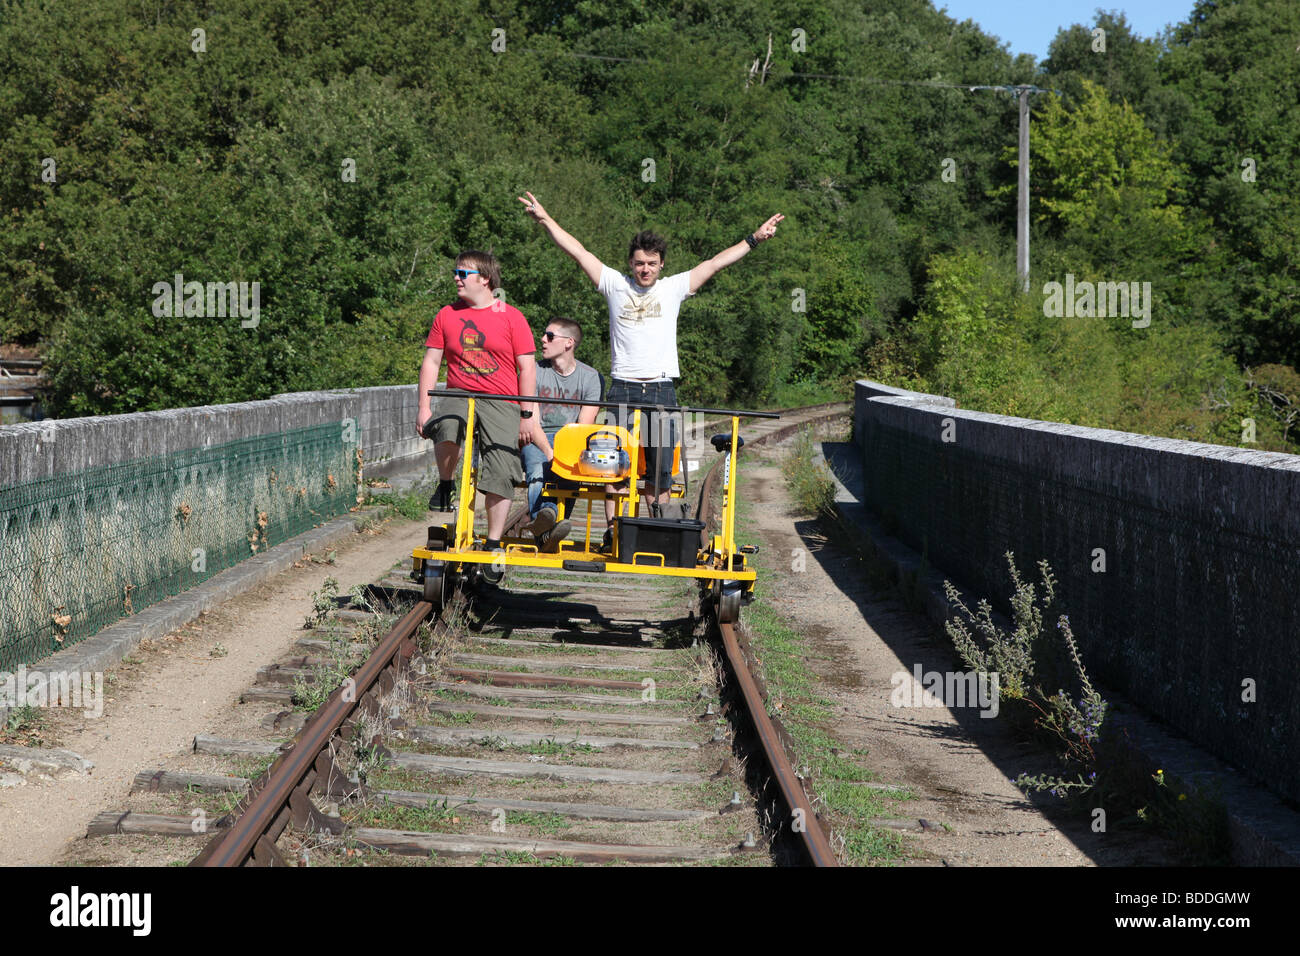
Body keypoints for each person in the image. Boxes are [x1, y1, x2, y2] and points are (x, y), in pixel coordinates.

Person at [517, 191, 783, 549]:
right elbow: (578, 251)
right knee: (610, 463)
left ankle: (656, 527)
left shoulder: (673, 289)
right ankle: (614, 531)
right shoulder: (614, 285)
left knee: (658, 468)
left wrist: (755, 238)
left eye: (652, 263)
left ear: (661, 266)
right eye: (640, 263)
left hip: (660, 390)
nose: (645, 269)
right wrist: (546, 219)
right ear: (631, 263)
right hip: (623, 389)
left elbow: (716, 263)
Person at [415, 250, 538, 582]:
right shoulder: (446, 315)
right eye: (456, 272)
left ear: (485, 279)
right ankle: (445, 484)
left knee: (500, 465)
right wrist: (425, 406)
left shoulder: (512, 317)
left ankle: (494, 544)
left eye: (463, 273)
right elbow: (431, 362)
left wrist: (527, 414)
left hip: (500, 397)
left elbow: (526, 367)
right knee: (447, 425)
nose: (456, 277)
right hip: (458, 391)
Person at [520, 317, 603, 551]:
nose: (542, 340)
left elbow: (584, 424)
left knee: (568, 469)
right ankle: (548, 521)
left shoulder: (591, 378)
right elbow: (531, 421)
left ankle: (544, 528)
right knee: (538, 468)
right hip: (537, 437)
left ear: (569, 342)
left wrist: (562, 452)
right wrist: (549, 451)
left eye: (549, 336)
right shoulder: (533, 372)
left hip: (571, 439)